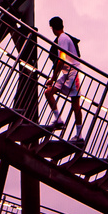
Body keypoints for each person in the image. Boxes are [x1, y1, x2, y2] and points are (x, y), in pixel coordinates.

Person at [43, 16, 85, 146]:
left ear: (52, 28)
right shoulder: (64, 38)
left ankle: (78, 135)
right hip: (68, 73)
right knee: (49, 93)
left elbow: (61, 58)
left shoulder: (62, 39)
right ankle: (60, 121)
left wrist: (53, 78)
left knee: (75, 104)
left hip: (73, 74)